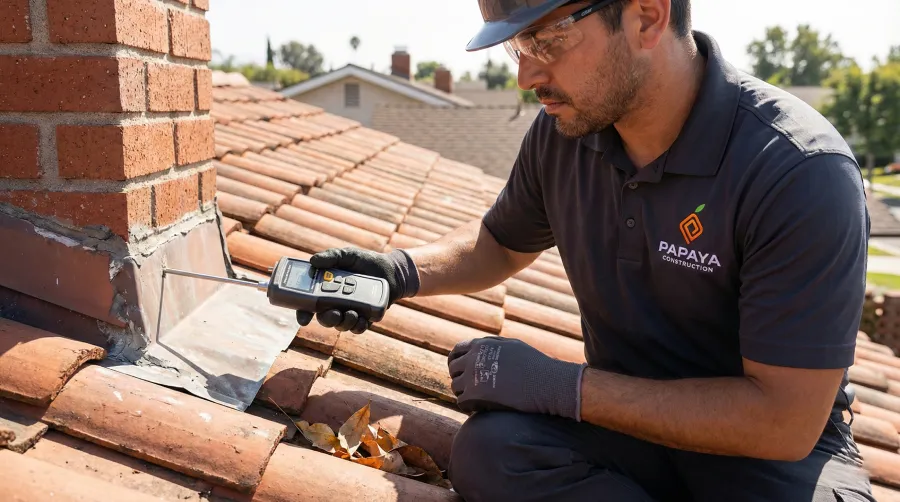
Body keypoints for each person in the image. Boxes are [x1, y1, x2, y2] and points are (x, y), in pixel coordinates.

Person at [295, 0, 874, 500]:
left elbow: (783, 422)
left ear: (646, 17)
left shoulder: (798, 170)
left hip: (773, 464)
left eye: (547, 40)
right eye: (519, 46)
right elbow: (499, 244)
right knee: (492, 452)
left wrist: (561, 387)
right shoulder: (563, 134)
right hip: (625, 433)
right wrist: (395, 272)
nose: (526, 77)